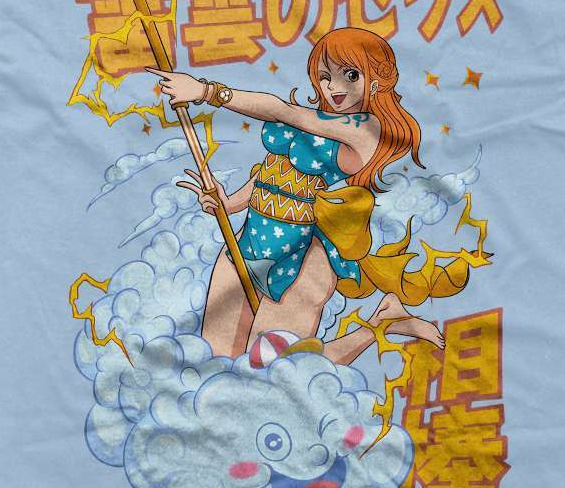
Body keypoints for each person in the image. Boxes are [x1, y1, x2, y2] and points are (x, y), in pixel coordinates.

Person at [147, 26, 484, 362]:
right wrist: (229, 202)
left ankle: (381, 325)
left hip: (305, 258)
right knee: (214, 359)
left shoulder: (367, 129)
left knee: (272, 367)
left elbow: (282, 110)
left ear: (375, 80)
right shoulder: (314, 122)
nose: (334, 87)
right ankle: (385, 320)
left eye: (350, 75)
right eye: (325, 77)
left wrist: (206, 91)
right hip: (249, 240)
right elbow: (275, 170)